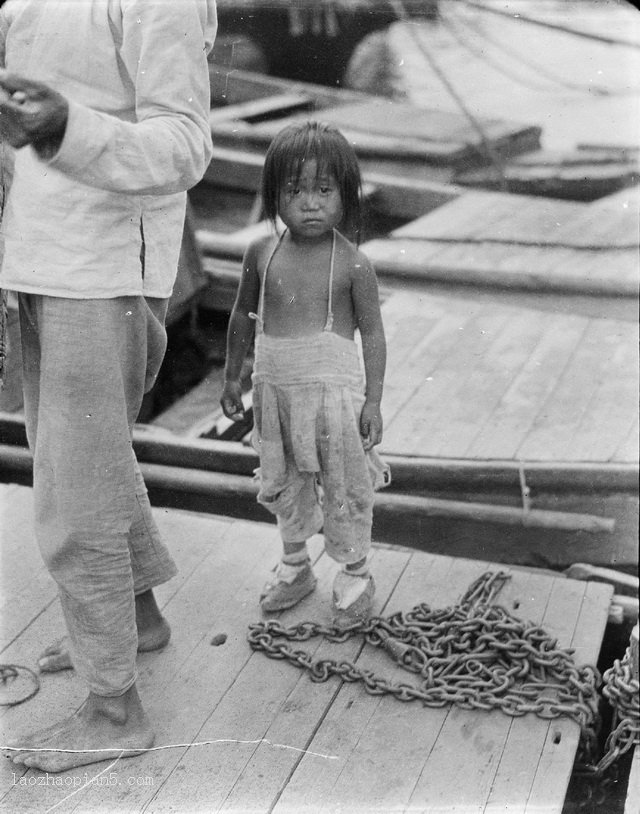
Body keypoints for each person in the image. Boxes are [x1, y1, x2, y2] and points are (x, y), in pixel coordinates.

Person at [0, 0, 217, 772]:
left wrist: (64, 128)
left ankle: (113, 709)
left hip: (102, 269)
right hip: (36, 256)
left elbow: (186, 145)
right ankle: (139, 616)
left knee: (74, 494)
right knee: (78, 461)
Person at [221, 120, 389, 626]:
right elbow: (240, 315)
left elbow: (374, 335)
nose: (310, 203)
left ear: (345, 196)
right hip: (275, 395)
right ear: (274, 195)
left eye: (323, 190)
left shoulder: (353, 264)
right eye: (295, 191)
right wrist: (231, 376)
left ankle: (355, 571)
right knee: (284, 479)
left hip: (333, 401)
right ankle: (296, 565)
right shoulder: (261, 252)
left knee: (344, 483)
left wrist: (374, 401)